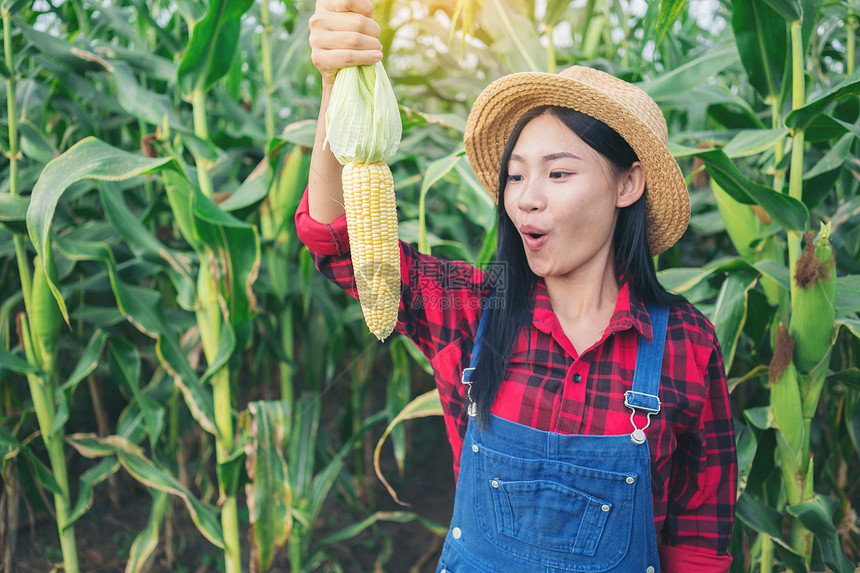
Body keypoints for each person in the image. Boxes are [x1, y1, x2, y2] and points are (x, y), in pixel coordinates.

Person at [299, 1, 737, 571]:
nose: (526, 197)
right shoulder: (473, 311)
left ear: (628, 184)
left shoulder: (687, 345)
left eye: (558, 173)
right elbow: (341, 245)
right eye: (515, 175)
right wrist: (338, 85)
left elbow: (699, 540)